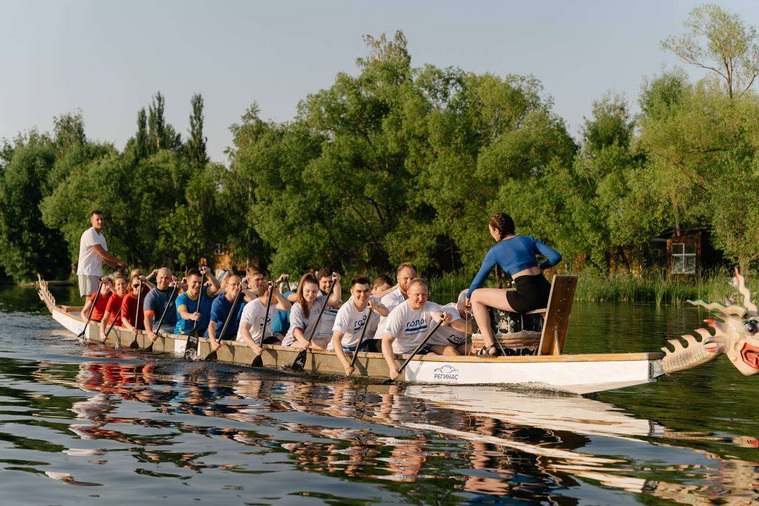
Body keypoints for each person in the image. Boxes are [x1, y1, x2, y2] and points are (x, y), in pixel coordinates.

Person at [466, 212, 562, 356]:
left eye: (491, 231)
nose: (492, 235)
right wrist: (541, 266)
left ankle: (490, 345)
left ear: (497, 231)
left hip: (527, 297)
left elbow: (479, 280)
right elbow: (556, 257)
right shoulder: (528, 240)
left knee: (476, 296)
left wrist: (468, 296)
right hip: (547, 293)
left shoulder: (495, 251)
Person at [382, 278, 470, 381]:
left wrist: (445, 319)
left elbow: (439, 317)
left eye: (424, 295)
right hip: (400, 354)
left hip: (420, 350)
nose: (421, 299)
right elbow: (386, 341)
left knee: (434, 358)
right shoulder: (398, 313)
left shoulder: (430, 306)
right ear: (408, 293)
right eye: (417, 295)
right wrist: (392, 367)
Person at [331, 276, 389, 376]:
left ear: (370, 291)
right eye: (359, 291)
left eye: (366, 291)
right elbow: (336, 340)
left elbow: (386, 313)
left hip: (362, 345)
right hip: (346, 349)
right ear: (351, 292)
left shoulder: (372, 300)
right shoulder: (346, 310)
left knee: (386, 343)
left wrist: (377, 307)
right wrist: (346, 365)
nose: (363, 295)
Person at [282, 272, 341, 349]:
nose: (310, 294)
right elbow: (296, 329)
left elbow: (335, 298)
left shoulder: (319, 301)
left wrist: (336, 282)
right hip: (293, 343)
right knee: (321, 345)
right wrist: (303, 342)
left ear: (318, 291)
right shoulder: (297, 307)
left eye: (314, 291)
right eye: (307, 291)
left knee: (338, 340)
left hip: (309, 340)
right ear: (302, 290)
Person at [77, 210, 126, 297]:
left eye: (102, 219)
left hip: (97, 272)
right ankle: (85, 311)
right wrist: (119, 261)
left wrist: (117, 267)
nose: (100, 221)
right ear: (92, 221)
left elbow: (104, 258)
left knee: (99, 298)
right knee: (91, 298)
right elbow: (101, 252)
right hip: (88, 272)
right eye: (97, 219)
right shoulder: (89, 233)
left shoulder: (101, 237)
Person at [238, 280, 292, 357]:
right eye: (274, 294)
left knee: (279, 343)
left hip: (264, 340)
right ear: (267, 294)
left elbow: (287, 307)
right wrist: (254, 347)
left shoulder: (272, 305)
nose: (277, 298)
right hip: (247, 342)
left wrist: (277, 293)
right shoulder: (252, 307)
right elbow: (243, 329)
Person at [175, 267, 221, 336]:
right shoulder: (182, 298)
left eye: (200, 282)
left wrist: (208, 274)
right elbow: (183, 313)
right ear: (188, 281)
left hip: (201, 332)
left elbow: (216, 287)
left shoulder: (205, 292)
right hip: (184, 333)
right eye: (194, 282)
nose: (197, 285)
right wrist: (192, 316)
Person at [377, 263, 417, 339]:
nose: (409, 282)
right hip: (381, 342)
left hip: (403, 343)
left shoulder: (418, 297)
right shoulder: (390, 298)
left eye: (412, 279)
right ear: (398, 279)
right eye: (405, 278)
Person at [206, 274, 247, 351]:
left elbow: (253, 300)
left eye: (239, 284)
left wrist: (245, 289)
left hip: (232, 336)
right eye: (233, 284)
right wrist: (213, 342)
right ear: (227, 287)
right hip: (217, 336)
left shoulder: (242, 296)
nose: (236, 287)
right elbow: (212, 324)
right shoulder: (219, 302)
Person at [143, 268, 179, 343]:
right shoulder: (151, 296)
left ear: (170, 280)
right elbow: (148, 317)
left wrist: (182, 286)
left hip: (175, 326)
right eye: (161, 277)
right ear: (156, 278)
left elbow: (190, 292)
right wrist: (149, 332)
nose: (163, 280)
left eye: (166, 278)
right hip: (159, 326)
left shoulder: (174, 290)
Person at [99, 274, 128, 342]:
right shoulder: (113, 298)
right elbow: (105, 318)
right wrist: (102, 333)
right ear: (115, 286)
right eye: (118, 284)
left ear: (127, 285)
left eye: (123, 284)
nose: (121, 286)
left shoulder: (129, 295)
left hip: (127, 325)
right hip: (115, 324)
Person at [315, 268, 342, 337]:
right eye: (324, 282)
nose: (328, 285)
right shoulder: (315, 298)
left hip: (333, 337)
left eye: (330, 282)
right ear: (318, 282)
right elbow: (335, 298)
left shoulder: (339, 301)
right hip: (318, 338)